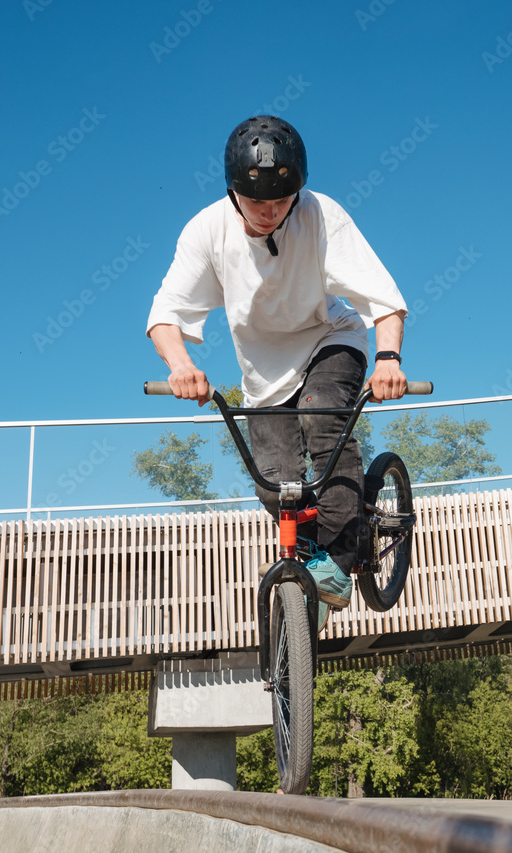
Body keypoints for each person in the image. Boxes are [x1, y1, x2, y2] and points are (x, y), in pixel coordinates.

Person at [147, 115, 408, 610]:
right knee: (275, 484)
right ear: (232, 194)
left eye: (280, 201)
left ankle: (343, 553)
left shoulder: (321, 214)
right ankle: (312, 569)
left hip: (330, 337)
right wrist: (180, 365)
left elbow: (383, 297)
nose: (269, 213)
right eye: (256, 202)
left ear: (298, 192)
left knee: (322, 416)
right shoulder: (206, 231)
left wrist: (389, 357)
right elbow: (165, 315)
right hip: (264, 374)